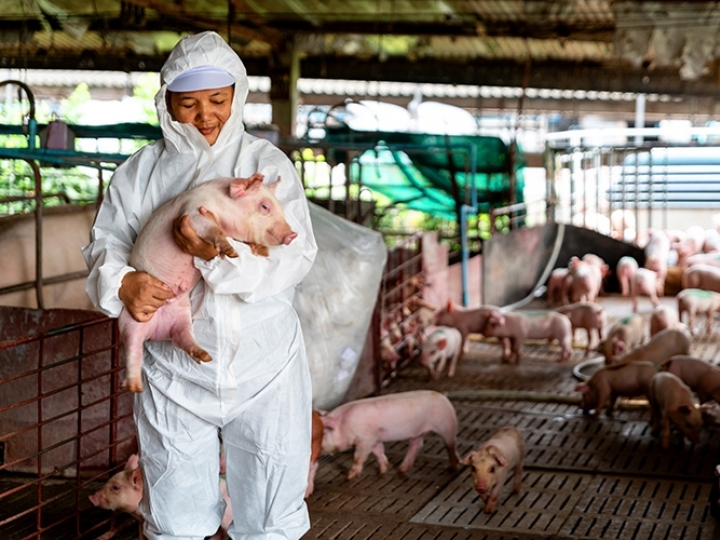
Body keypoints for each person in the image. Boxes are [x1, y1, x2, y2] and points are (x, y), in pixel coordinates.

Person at [82, 31, 317, 540]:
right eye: (188, 103)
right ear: (167, 102)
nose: (205, 114)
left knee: (272, 512)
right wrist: (123, 284)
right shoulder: (140, 172)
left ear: (238, 96)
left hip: (263, 364)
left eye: (217, 100)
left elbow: (294, 256)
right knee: (175, 515)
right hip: (174, 372)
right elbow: (106, 245)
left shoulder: (267, 167)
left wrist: (215, 260)